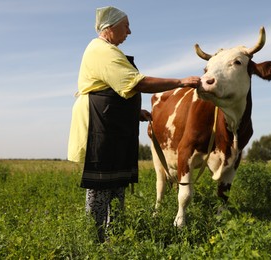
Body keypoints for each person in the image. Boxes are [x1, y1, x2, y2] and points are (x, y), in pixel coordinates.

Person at [68, 6, 200, 243]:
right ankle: (94, 240)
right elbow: (137, 83)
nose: (129, 31)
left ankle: (114, 237)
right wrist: (180, 81)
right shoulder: (101, 50)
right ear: (110, 27)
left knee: (116, 182)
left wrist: (134, 111)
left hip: (112, 122)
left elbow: (112, 87)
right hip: (101, 124)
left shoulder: (108, 51)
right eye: (126, 25)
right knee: (100, 183)